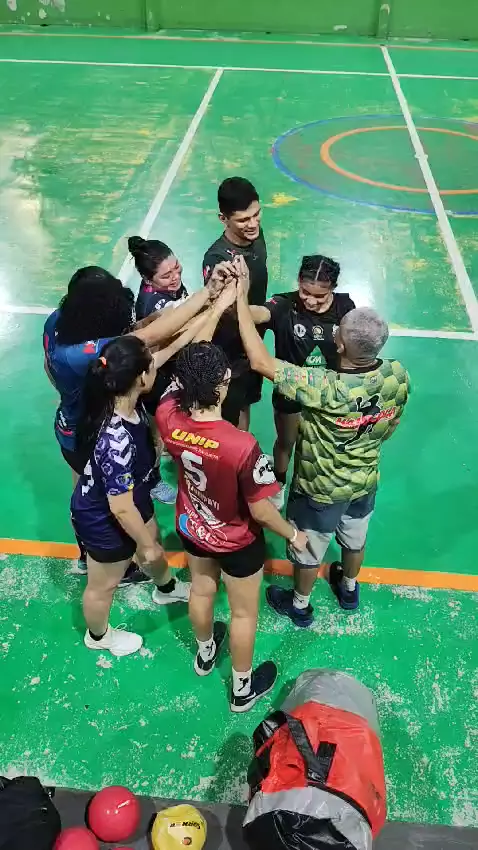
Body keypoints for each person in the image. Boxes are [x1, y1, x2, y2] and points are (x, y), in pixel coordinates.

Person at [156, 284, 308, 712]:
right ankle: (242, 688)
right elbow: (261, 509)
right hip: (236, 541)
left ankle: (205, 654)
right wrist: (292, 534)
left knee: (201, 591)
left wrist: (218, 305)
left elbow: (190, 364)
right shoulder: (240, 445)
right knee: (243, 614)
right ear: (223, 384)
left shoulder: (168, 415)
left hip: (192, 527)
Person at [236, 265, 409, 625]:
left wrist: (239, 298)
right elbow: (391, 426)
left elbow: (260, 361)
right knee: (355, 538)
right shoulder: (396, 374)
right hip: (365, 481)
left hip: (320, 488)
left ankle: (299, 605)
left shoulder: (324, 386)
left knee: (309, 547)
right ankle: (349, 588)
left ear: (339, 344)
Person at [43, 264, 231, 571]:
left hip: (70, 428)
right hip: (88, 437)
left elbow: (49, 369)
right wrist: (209, 295)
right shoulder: (84, 355)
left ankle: (87, 555)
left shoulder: (57, 322)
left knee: (86, 495)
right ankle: (126, 565)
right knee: (121, 506)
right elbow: (151, 338)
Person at [72, 333, 201, 657]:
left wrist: (204, 317)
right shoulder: (115, 439)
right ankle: (98, 636)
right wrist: (145, 545)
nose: (156, 365)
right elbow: (120, 508)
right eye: (150, 364)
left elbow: (161, 356)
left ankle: (166, 589)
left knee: (153, 542)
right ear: (141, 378)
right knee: (104, 585)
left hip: (133, 495)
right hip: (103, 518)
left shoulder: (122, 394)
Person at [249, 254, 355, 509]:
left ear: (333, 288)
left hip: (328, 393)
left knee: (322, 446)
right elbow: (258, 314)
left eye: (320, 296)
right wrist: (235, 300)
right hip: (290, 391)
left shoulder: (345, 306)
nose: (311, 300)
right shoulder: (284, 304)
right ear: (298, 281)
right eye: (305, 292)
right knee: (286, 442)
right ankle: (279, 482)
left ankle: (313, 487)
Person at [129, 235, 191, 505]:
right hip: (157, 378)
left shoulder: (170, 288)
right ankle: (152, 480)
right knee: (155, 435)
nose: (175, 277)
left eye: (176, 268)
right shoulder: (152, 305)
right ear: (148, 279)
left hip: (172, 370)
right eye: (166, 276)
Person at [202, 177, 268, 431]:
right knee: (227, 419)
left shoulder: (256, 236)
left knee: (245, 405)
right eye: (243, 220)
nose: (253, 224)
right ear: (223, 219)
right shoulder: (218, 259)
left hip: (252, 343)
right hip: (229, 355)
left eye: (256, 214)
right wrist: (267, 313)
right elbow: (226, 311)